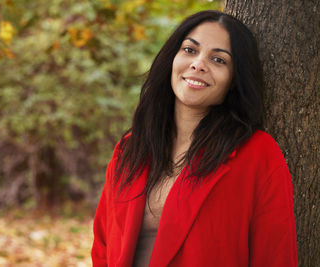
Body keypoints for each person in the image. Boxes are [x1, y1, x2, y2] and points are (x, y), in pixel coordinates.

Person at [91, 10, 298, 267]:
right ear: (172, 58)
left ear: (234, 81)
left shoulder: (257, 154)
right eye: (190, 50)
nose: (198, 64)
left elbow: (275, 258)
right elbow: (102, 247)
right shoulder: (130, 148)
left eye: (219, 60)